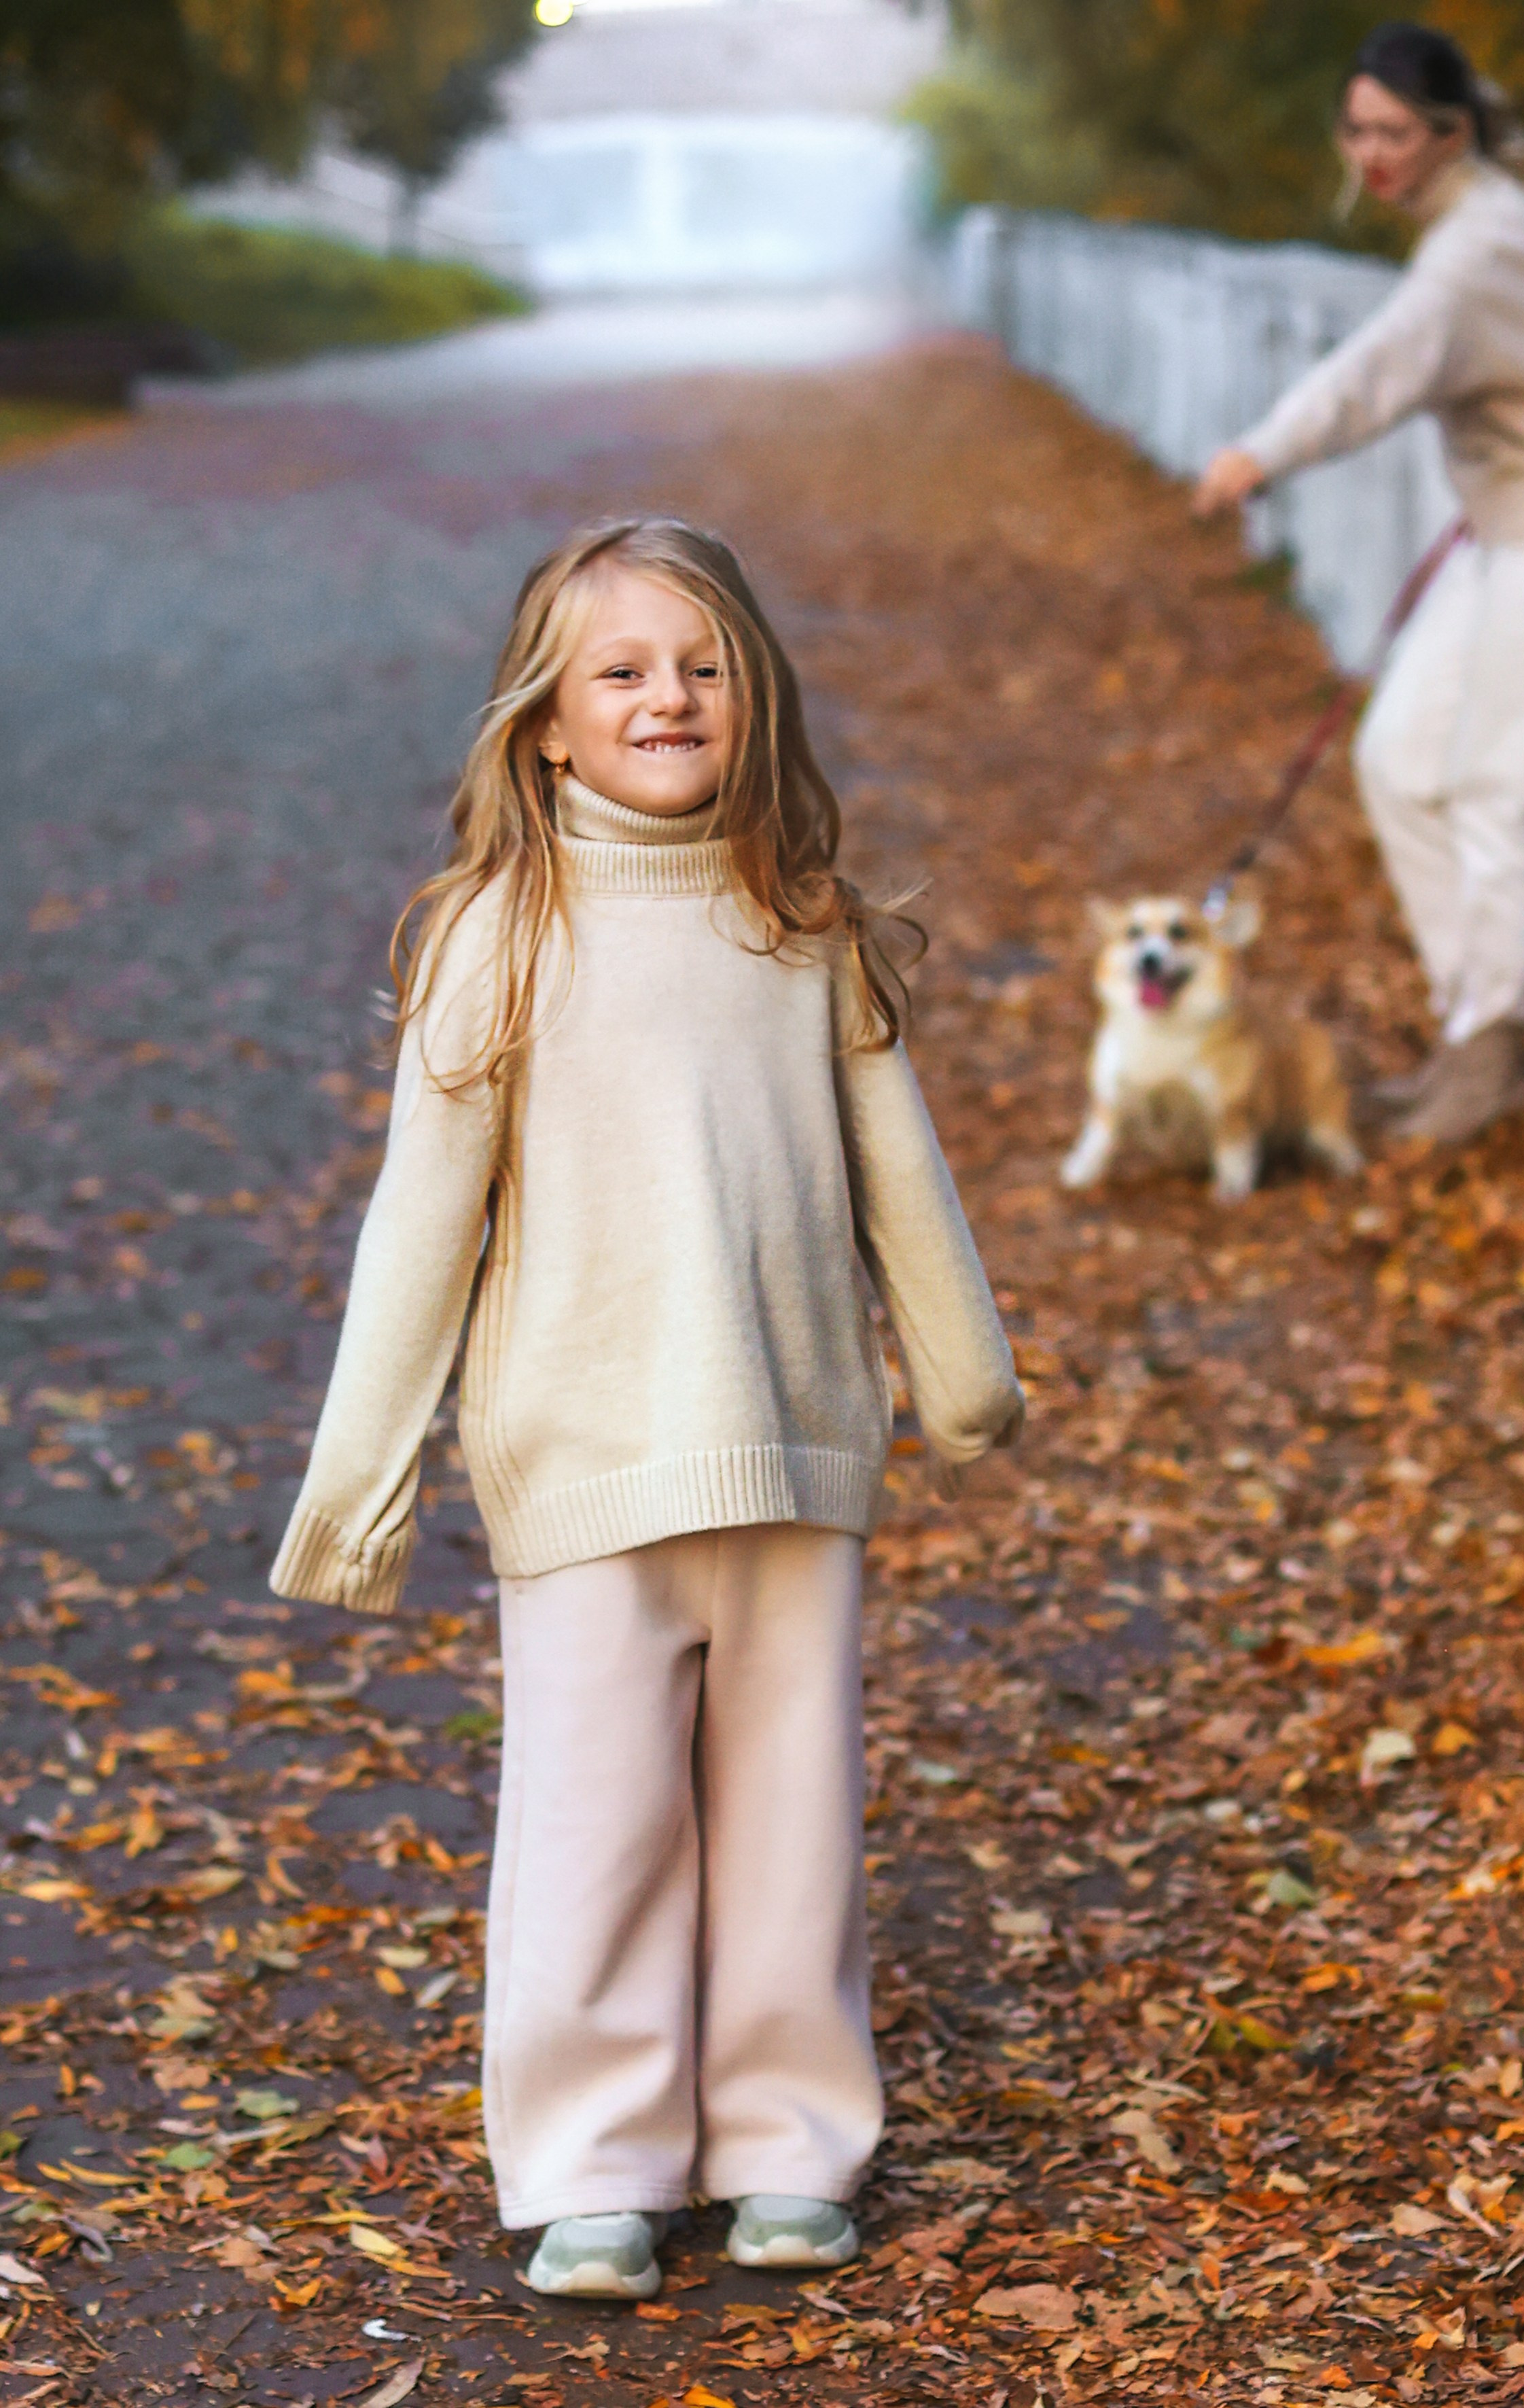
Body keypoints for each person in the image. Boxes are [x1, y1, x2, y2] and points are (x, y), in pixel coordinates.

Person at [268, 518, 1024, 2299]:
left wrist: (964, 1371)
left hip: (794, 1442)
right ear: (545, 722)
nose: (665, 699)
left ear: (752, 698)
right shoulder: (495, 937)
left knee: (789, 1821)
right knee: (598, 1820)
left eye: (703, 668)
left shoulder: (801, 922)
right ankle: (595, 2161)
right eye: (620, 672)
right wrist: (359, 1478)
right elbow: (418, 1223)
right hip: (582, 1447)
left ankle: (786, 2142)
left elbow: (894, 1171)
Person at [1194, 22, 1524, 1145]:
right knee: (1398, 757)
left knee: (1494, 782)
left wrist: (1260, 451)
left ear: (1449, 134)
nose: (1368, 154)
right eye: (1355, 130)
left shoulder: (1480, 248)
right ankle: (1471, 1025)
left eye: (1392, 133)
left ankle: (1492, 1052)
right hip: (1508, 525)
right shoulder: (1463, 227)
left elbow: (1378, 368)